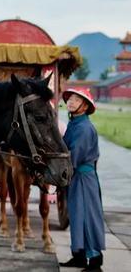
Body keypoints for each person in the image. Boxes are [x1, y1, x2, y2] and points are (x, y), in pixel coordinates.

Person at [59, 87, 105, 271]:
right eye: (70, 99)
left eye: (76, 100)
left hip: (84, 179)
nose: (70, 102)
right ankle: (78, 256)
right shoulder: (74, 123)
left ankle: (95, 261)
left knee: (87, 217)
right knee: (77, 216)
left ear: (85, 107)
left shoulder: (84, 128)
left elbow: (73, 156)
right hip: (76, 177)